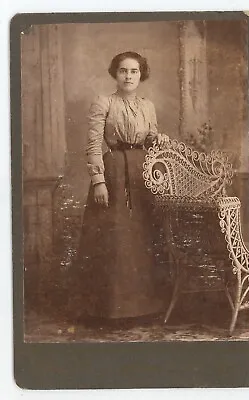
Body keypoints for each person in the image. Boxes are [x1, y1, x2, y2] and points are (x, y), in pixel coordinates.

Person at [70, 51, 170, 326]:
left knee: (142, 237)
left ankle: (145, 308)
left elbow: (150, 139)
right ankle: (109, 311)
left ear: (141, 74)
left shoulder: (148, 105)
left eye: (134, 71)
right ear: (115, 74)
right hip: (113, 172)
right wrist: (99, 182)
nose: (128, 76)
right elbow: (92, 145)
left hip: (143, 175)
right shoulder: (104, 103)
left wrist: (156, 138)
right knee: (115, 240)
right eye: (123, 71)